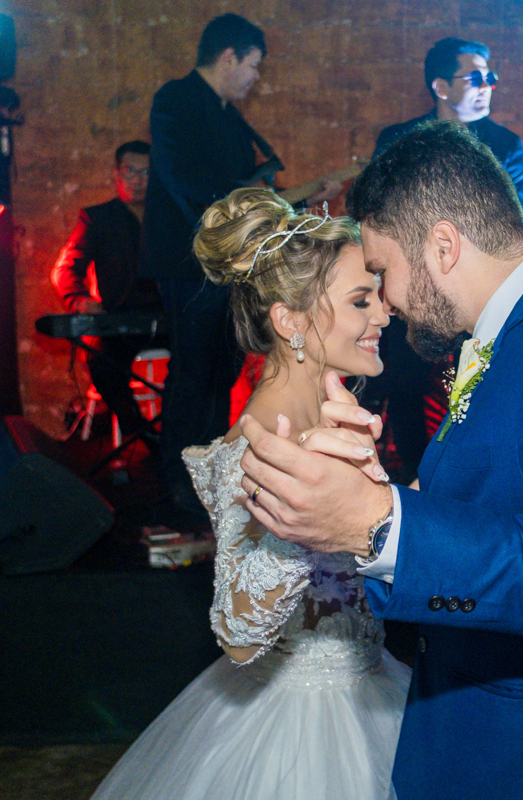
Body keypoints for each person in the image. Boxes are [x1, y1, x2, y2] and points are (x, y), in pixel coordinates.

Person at [236, 121, 523, 799]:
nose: (387, 302)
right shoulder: (513, 338)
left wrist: (383, 524)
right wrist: (391, 497)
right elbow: (506, 507)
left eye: (385, 271)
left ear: (444, 246)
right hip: (479, 745)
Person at [90, 188, 408, 800]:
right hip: (303, 732)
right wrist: (304, 517)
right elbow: (238, 633)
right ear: (290, 320)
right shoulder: (262, 447)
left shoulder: (334, 413)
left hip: (371, 681)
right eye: (361, 300)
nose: (384, 315)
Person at [142, 14, 337, 520]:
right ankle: (179, 485)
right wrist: (237, 223)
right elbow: (183, 178)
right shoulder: (176, 100)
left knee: (221, 371)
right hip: (190, 263)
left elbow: (243, 188)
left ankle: (207, 474)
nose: (256, 76)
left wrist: (286, 204)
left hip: (227, 264)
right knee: (193, 373)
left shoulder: (229, 116)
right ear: (228, 56)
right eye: (253, 65)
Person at [366, 37, 523, 482]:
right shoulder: (398, 139)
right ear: (440, 86)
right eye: (474, 77)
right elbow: (377, 214)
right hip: (411, 283)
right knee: (404, 384)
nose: (487, 86)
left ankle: (467, 474)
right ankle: (417, 474)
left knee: (475, 387)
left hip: (475, 289)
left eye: (490, 77)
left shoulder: (504, 143)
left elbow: (518, 225)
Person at [51, 140, 163, 449]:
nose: (138, 180)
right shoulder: (98, 219)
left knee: (210, 352)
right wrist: (80, 300)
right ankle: (141, 431)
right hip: (120, 319)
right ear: (117, 174)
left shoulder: (170, 219)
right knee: (101, 360)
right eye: (130, 171)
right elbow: (65, 269)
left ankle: (180, 429)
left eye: (146, 172)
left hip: (168, 317)